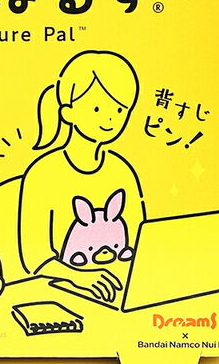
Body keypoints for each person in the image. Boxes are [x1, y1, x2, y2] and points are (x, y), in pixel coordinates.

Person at [17, 50, 146, 302]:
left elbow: (140, 239)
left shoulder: (122, 170)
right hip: (61, 290)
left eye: (120, 110)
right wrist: (79, 277)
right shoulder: (42, 173)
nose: (110, 118)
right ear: (68, 112)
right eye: (97, 108)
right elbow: (35, 259)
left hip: (120, 286)